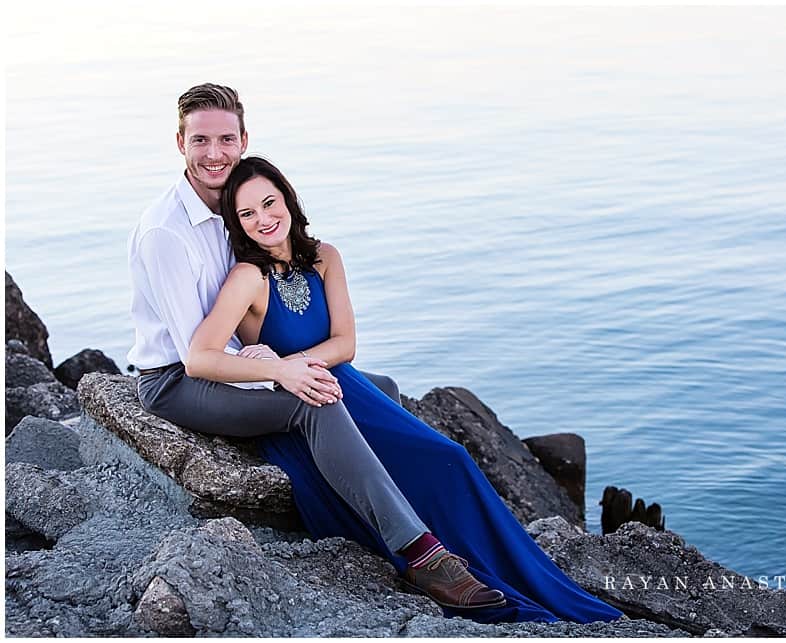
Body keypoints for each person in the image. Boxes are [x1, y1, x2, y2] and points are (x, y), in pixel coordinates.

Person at [184, 154, 625, 624]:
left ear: (288, 199)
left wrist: (294, 360)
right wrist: (278, 372)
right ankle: (435, 565)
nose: (263, 220)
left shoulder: (324, 257)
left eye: (269, 203)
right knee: (446, 459)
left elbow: (345, 344)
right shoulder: (248, 277)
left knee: (449, 457)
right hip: (305, 405)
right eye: (247, 214)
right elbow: (199, 358)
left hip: (341, 382)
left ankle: (517, 569)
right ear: (236, 223)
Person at [128, 83, 505, 611]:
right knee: (318, 405)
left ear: (242, 140)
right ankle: (420, 554)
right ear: (180, 143)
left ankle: (389, 500)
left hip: (240, 361)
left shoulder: (233, 212)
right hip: (179, 382)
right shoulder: (166, 232)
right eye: (200, 140)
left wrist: (278, 361)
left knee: (383, 390)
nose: (214, 153)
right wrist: (280, 371)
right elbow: (199, 357)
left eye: (225, 139)